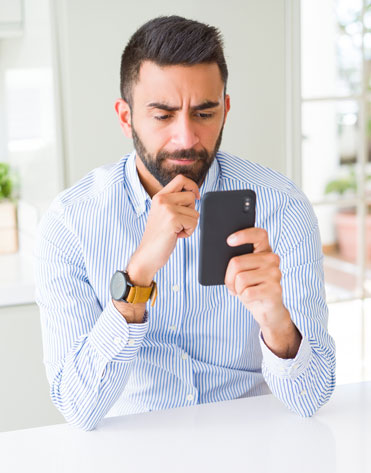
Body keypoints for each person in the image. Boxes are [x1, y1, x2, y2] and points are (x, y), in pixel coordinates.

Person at [35, 15, 335, 431]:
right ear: (126, 118)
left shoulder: (282, 208)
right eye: (162, 115)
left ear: (225, 111)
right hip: (135, 452)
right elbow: (78, 406)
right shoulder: (70, 224)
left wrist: (275, 321)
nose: (186, 138)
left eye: (204, 113)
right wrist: (137, 276)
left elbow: (313, 396)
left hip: (251, 448)